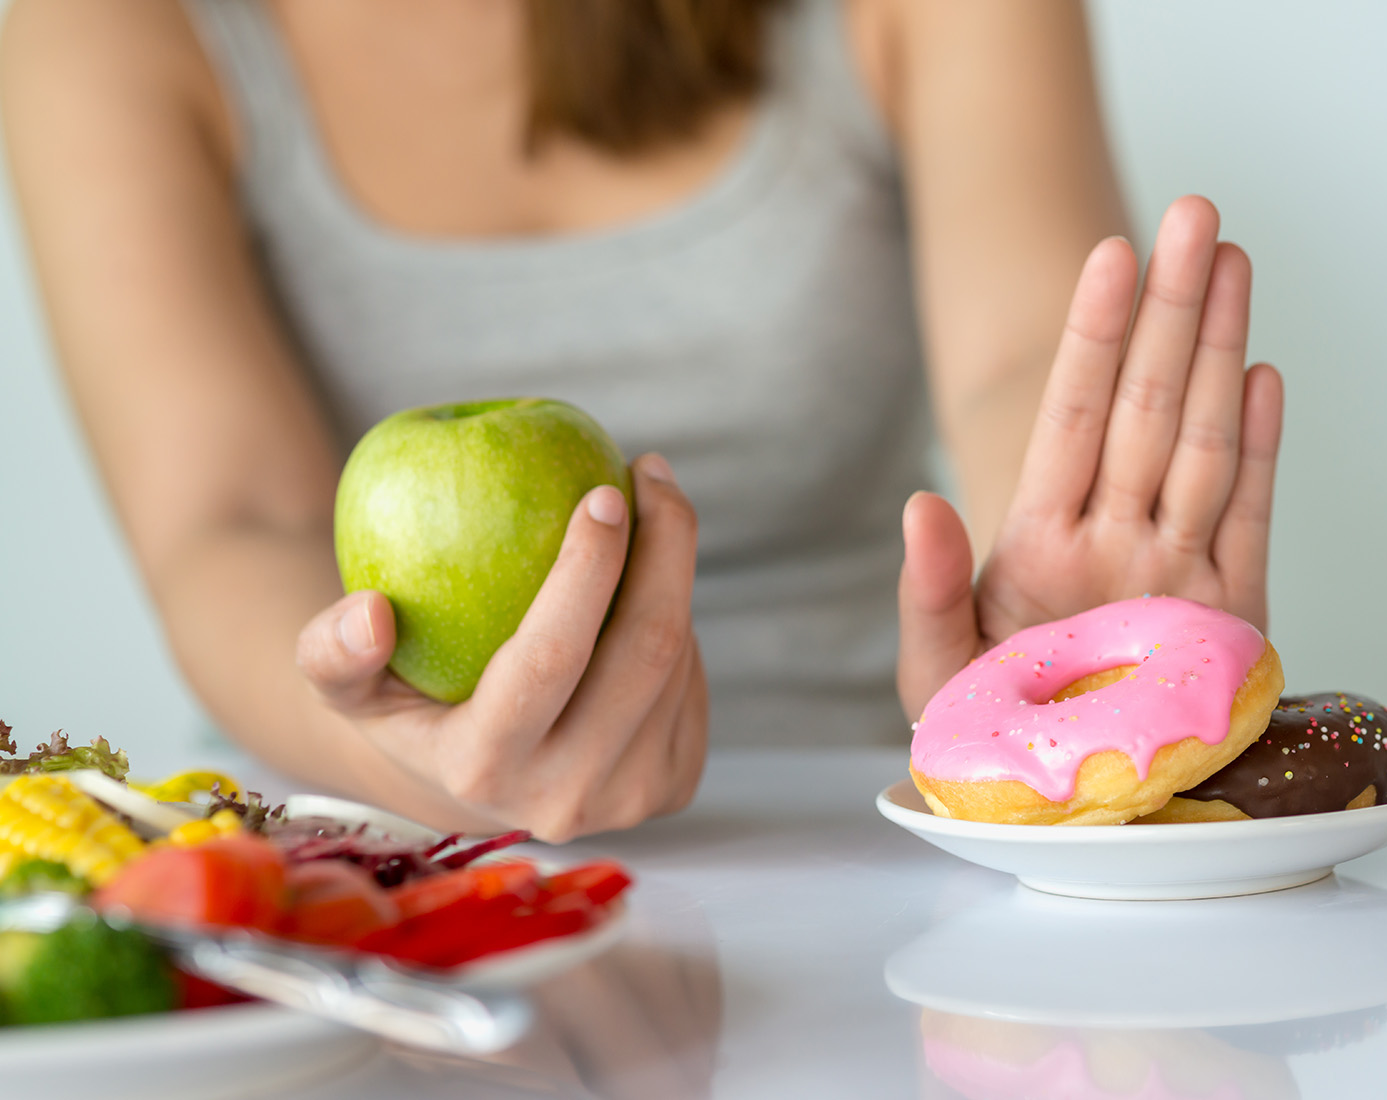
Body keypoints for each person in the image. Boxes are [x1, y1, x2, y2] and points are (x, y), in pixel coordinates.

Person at [1, 0, 1281, 841]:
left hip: (856, 854)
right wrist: (428, 771)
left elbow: (1020, 365)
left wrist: (1063, 629)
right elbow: (227, 518)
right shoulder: (102, 28)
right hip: (368, 874)